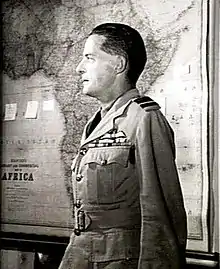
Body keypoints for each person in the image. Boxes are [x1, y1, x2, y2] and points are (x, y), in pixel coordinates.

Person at [58, 23, 187, 269]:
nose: (79, 68)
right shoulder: (95, 123)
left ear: (118, 64)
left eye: (89, 58)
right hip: (82, 255)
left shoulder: (144, 118)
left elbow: (160, 213)